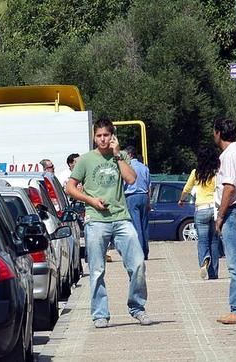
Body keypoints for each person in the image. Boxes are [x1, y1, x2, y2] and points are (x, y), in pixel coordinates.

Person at [66, 118, 152, 328]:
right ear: (94, 137)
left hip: (121, 217)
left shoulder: (120, 157)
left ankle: (137, 308)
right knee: (96, 269)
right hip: (96, 220)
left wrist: (117, 156)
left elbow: (132, 180)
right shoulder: (85, 160)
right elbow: (70, 187)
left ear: (113, 136)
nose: (103, 139)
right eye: (99, 136)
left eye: (106, 135)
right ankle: (100, 313)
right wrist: (91, 201)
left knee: (138, 263)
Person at [213, 118, 236, 324]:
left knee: (234, 263)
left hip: (232, 211)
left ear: (218, 132)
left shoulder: (229, 156)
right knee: (235, 262)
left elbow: (229, 187)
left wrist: (220, 215)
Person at [178, 146, 222, 280]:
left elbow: (187, 188)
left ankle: (204, 259)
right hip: (214, 208)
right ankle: (213, 272)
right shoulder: (217, 173)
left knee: (202, 240)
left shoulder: (196, 173)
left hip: (201, 209)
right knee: (214, 240)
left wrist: (181, 200)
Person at [123, 146, 151, 260]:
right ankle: (145, 251)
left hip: (131, 196)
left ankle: (138, 252)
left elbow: (123, 183)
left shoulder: (127, 167)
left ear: (129, 155)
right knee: (144, 225)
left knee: (136, 225)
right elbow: (149, 185)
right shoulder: (144, 167)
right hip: (144, 196)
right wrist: (149, 202)